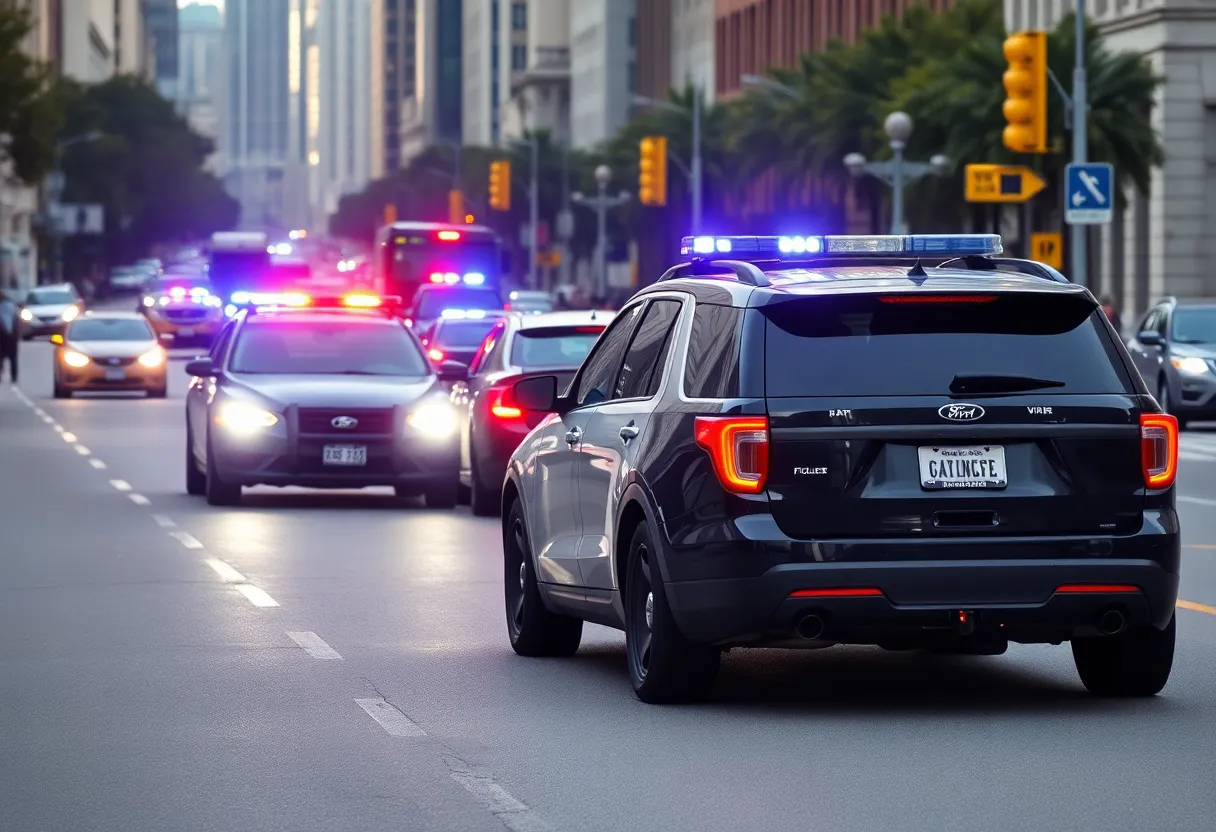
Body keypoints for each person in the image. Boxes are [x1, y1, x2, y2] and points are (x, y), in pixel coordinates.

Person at [0, 289, 19, 383]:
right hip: (12, 335)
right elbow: (17, 319)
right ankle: (14, 376)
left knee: (1, 356)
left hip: (2, 334)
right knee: (13, 357)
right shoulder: (13, 306)